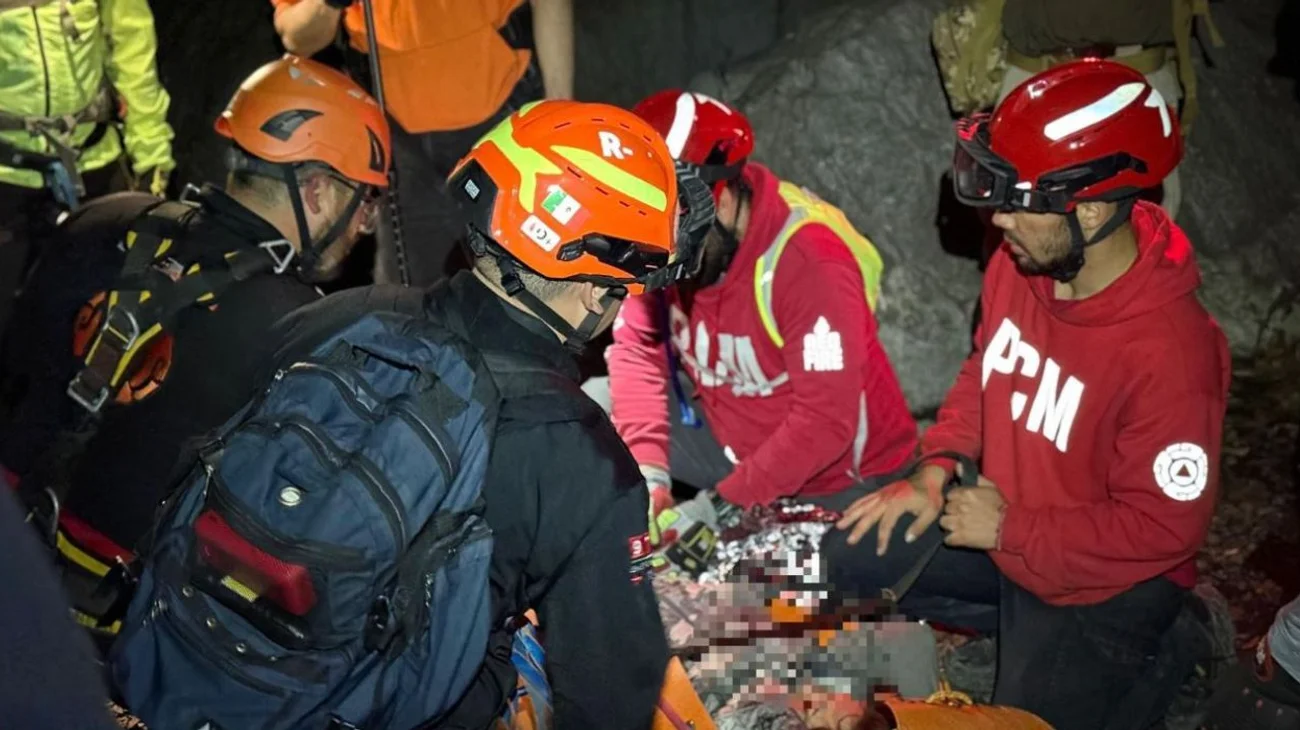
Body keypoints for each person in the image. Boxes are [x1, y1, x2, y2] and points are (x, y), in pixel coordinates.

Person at [259, 99, 709, 728]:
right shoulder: (583, 464)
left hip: (230, 673)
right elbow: (609, 700)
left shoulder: (335, 317)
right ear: (592, 288)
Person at [827, 59, 1230, 730]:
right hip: (1008, 532)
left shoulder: (1173, 352)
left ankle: (1179, 639)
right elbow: (986, 369)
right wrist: (937, 468)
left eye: (1018, 203)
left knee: (1023, 723)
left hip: (1105, 581)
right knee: (845, 554)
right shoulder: (1023, 262)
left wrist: (1012, 528)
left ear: (1091, 209)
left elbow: (1165, 528)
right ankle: (1018, 636)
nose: (1000, 219)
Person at [0, 54, 389, 637]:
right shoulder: (304, 330)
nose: (364, 224)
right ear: (316, 191)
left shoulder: (98, 218)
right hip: (110, 623)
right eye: (365, 201)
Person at [595, 89, 918, 542]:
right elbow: (637, 350)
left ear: (721, 202)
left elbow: (825, 422)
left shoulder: (809, 263)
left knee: (731, 585)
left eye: (673, 242)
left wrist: (718, 508)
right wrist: (649, 475)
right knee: (591, 408)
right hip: (734, 442)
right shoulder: (676, 236)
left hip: (837, 481)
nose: (663, 260)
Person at [271, 0, 574, 286]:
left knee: (532, 275)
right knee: (406, 290)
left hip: (502, 118)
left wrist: (559, 113)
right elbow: (297, 38)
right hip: (398, 142)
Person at [0, 0, 176, 340]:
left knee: (102, 314)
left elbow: (132, 47)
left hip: (94, 164)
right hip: (7, 176)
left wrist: (152, 158)